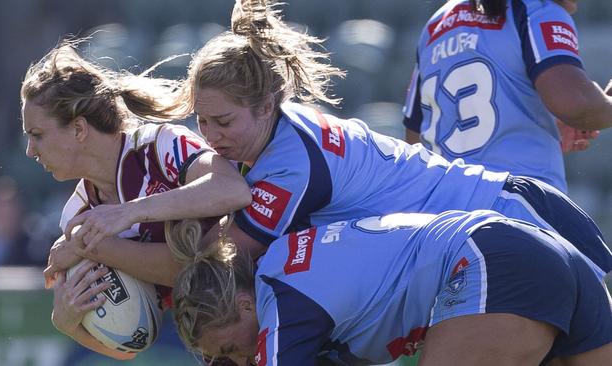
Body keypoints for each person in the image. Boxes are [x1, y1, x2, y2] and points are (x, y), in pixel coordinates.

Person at [66, 0, 612, 275]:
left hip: (485, 219)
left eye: (222, 123)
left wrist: (114, 236)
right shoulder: (533, 10)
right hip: (500, 210)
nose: (208, 137)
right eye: (201, 123)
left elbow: (416, 130)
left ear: (266, 104)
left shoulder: (438, 22)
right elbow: (574, 101)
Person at [20, 39, 252, 359]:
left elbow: (234, 190)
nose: (30, 150)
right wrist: (69, 324)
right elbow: (132, 342)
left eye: (37, 134)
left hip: (264, 307)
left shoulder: (159, 147)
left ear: (78, 129)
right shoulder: (77, 215)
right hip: (216, 346)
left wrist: (123, 219)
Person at [167, 210, 612, 366]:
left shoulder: (280, 300)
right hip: (536, 251)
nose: (240, 362)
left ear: (245, 306)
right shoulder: (286, 268)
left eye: (229, 350)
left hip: (490, 263)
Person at [402, 0, 612, 193]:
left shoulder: (435, 25)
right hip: (517, 203)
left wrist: (535, 122)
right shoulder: (537, 9)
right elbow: (577, 104)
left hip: (439, 211)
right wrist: (585, 110)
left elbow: (414, 138)